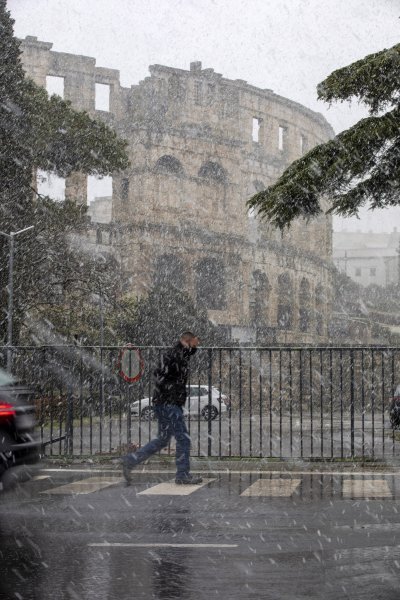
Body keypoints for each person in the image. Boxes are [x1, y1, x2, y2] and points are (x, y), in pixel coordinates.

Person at [122, 331, 203, 486]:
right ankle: (183, 475)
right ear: (188, 340)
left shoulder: (177, 353)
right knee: (183, 439)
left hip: (163, 402)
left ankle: (130, 460)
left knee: (163, 439)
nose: (197, 346)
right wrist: (172, 393)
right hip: (169, 403)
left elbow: (166, 370)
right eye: (195, 342)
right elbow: (164, 372)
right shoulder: (176, 354)